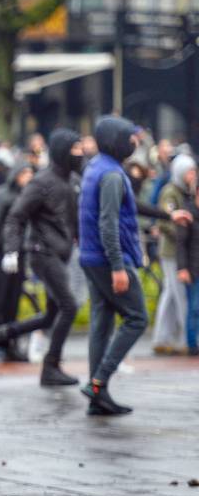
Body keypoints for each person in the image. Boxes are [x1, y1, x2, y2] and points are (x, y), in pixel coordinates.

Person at [77, 116, 192, 415]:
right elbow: (109, 223)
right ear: (116, 140)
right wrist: (117, 266)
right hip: (109, 258)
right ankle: (98, 382)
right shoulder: (113, 175)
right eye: (130, 138)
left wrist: (169, 215)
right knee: (137, 318)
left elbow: (130, 206)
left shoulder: (99, 167)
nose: (134, 144)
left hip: (92, 257)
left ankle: (97, 396)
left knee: (101, 325)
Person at [0, 130, 85, 385]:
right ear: (62, 151)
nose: (80, 155)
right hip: (42, 252)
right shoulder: (41, 183)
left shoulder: (72, 181)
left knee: (51, 315)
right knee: (69, 307)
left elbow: (71, 219)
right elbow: (16, 216)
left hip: (59, 253)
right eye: (76, 150)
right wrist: (12, 250)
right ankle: (51, 365)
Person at [0, 162, 34, 361]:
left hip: (18, 255)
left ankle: (9, 344)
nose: (28, 177)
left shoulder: (27, 197)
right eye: (24, 173)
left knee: (12, 302)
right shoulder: (0, 196)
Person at [151, 153, 196, 355]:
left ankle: (163, 338)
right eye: (189, 171)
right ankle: (185, 338)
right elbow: (163, 221)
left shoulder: (185, 191)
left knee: (169, 294)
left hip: (178, 249)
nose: (193, 175)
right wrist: (181, 227)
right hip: (171, 251)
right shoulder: (170, 192)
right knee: (179, 295)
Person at [176, 184, 199, 355]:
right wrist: (182, 268)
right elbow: (181, 244)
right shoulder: (187, 213)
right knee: (194, 307)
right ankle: (192, 345)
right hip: (193, 268)